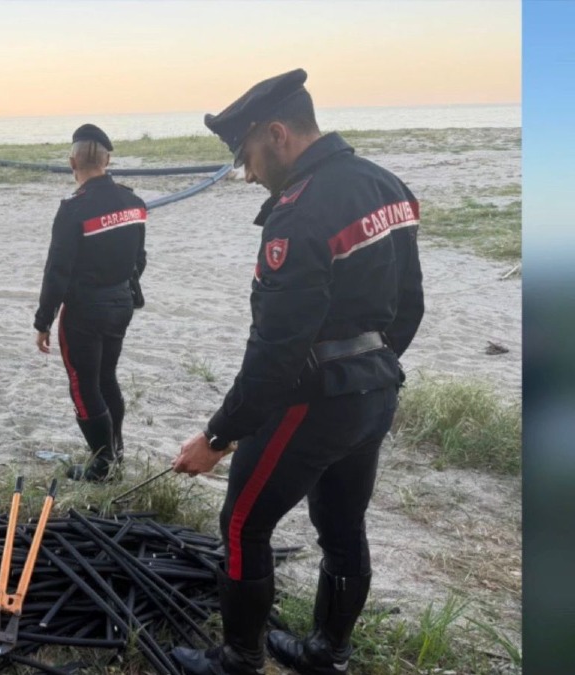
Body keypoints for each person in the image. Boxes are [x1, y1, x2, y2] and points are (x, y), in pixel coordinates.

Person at [168, 69, 425, 675]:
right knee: (342, 525)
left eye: (247, 157)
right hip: (375, 392)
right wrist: (374, 368)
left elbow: (276, 350)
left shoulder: (299, 212)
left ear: (277, 134)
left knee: (241, 524)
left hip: (313, 400)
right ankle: (325, 653)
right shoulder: (386, 184)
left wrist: (217, 437)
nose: (248, 173)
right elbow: (411, 305)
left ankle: (238, 659)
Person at [34, 123, 148, 482]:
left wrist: (43, 321)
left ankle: (102, 466)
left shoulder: (73, 210)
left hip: (86, 309)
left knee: (84, 387)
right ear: (108, 160)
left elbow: (57, 271)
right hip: (121, 303)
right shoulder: (134, 203)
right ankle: (116, 452)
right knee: (106, 378)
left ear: (72, 163)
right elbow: (139, 259)